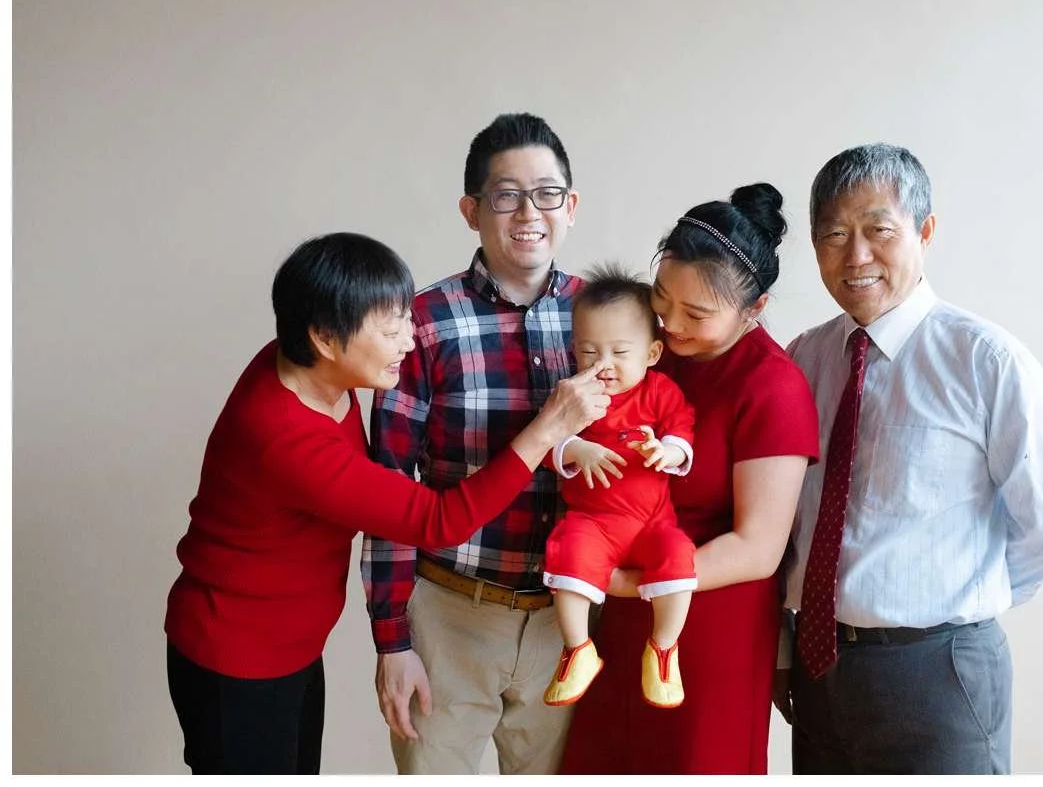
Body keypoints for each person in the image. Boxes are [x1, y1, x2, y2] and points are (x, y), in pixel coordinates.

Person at [163, 232, 607, 775]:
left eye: (406, 318)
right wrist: (547, 429)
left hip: (291, 645)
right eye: (390, 327)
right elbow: (440, 521)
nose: (409, 339)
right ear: (325, 337)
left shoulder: (313, 371)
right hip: (237, 657)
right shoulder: (284, 437)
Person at [777, 143, 1043, 774]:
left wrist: (960, 602)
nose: (856, 255)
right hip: (818, 669)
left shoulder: (986, 362)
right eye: (834, 234)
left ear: (925, 231)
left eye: (878, 231)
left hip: (939, 673)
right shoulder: (802, 360)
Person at [559, 183, 821, 774]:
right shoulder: (650, 354)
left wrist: (625, 583)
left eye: (697, 314)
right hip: (624, 607)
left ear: (753, 309)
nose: (671, 324)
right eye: (662, 299)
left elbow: (758, 549)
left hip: (709, 626)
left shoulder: (772, 387)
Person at [359, 113, 588, 774]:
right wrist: (392, 643)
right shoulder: (423, 324)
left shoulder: (603, 319)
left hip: (564, 624)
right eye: (505, 194)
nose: (528, 211)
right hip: (450, 615)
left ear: (570, 206)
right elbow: (387, 491)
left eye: (547, 192)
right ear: (471, 210)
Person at [540, 265, 697, 710]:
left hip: (652, 522)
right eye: (589, 352)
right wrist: (575, 450)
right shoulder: (573, 395)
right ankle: (578, 649)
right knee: (570, 550)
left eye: (618, 352)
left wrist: (667, 451)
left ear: (651, 353)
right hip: (594, 521)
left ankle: (664, 648)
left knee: (678, 554)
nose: (602, 365)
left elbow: (682, 430)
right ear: (574, 352)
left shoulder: (660, 392)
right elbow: (547, 441)